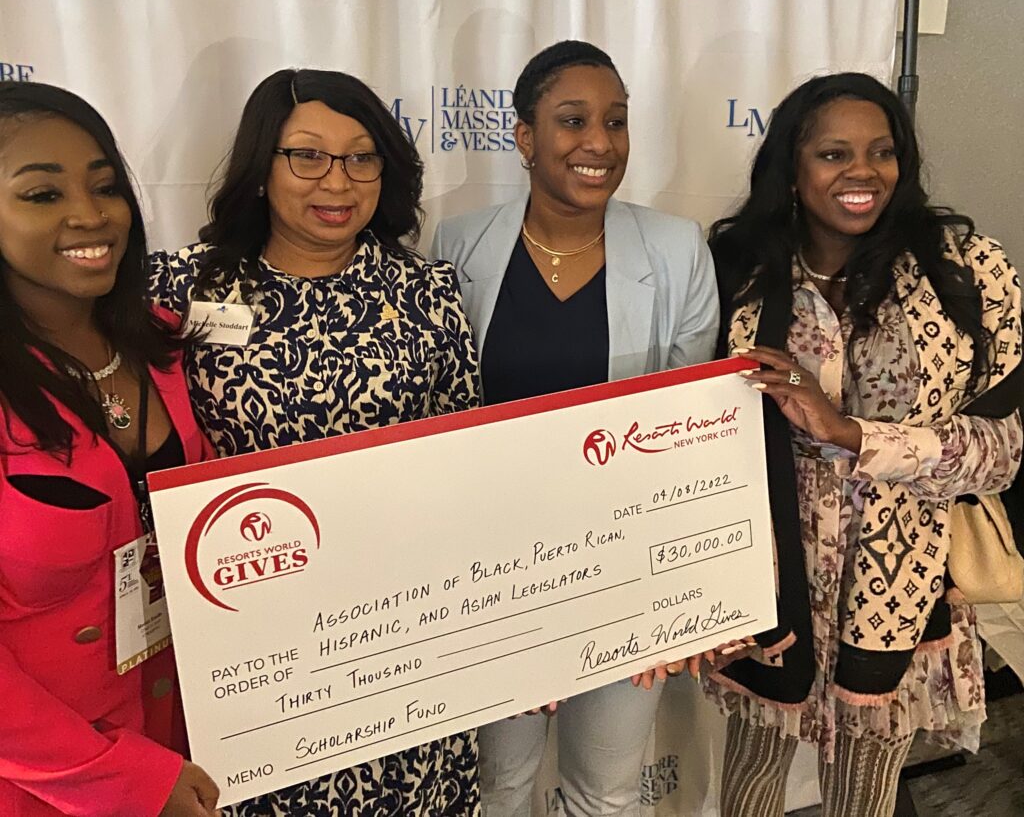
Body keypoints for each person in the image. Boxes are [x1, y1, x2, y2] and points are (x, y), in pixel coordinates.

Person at [149, 68, 481, 815]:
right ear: (260, 168)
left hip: (404, 634)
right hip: (252, 652)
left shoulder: (427, 290)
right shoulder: (180, 290)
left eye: (361, 157)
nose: (338, 180)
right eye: (307, 155)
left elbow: (466, 459)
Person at [704, 72, 1023, 817]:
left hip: (899, 573)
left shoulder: (965, 272)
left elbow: (1003, 451)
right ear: (791, 169)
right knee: (753, 771)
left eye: (882, 153)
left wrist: (852, 433)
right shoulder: (737, 273)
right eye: (833, 154)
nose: (862, 172)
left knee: (864, 791)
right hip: (772, 565)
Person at [432, 40, 720, 817]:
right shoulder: (457, 248)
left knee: (608, 792)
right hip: (490, 576)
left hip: (628, 570)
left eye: (616, 122)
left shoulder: (676, 249)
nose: (600, 142)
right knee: (498, 786)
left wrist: (680, 592)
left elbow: (692, 437)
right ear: (524, 138)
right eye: (572, 120)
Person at [0, 83, 219, 816]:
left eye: (105, 186)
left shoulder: (162, 341)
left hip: (187, 737)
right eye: (40, 194)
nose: (90, 215)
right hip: (45, 785)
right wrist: (122, 782)